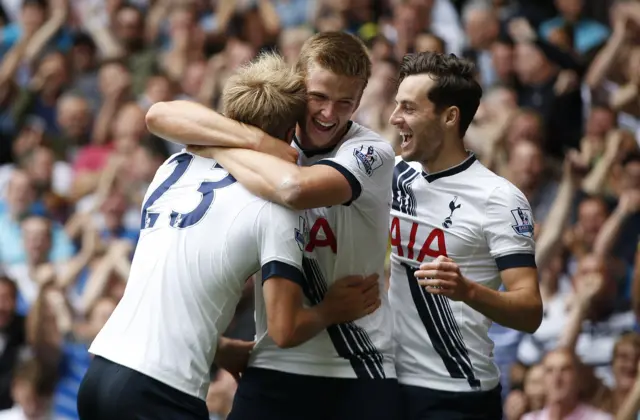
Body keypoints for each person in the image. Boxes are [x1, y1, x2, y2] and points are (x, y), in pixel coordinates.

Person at [76, 52, 380, 420]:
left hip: (100, 371)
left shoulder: (173, 165)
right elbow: (284, 329)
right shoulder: (273, 207)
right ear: (289, 133)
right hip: (162, 390)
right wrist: (331, 309)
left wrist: (217, 348)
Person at [146, 31, 400, 420]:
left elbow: (293, 189)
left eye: (345, 102)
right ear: (300, 86)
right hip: (273, 360)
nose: (329, 114)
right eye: (318, 97)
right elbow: (159, 115)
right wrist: (249, 142)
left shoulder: (372, 152)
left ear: (360, 101)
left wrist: (213, 146)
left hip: (356, 364)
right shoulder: (267, 138)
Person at [387, 51, 543, 419]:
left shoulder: (499, 198)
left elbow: (530, 311)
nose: (395, 119)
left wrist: (467, 290)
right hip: (390, 384)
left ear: (449, 116)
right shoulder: (393, 175)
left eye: (408, 108)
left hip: (457, 392)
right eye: (396, 106)